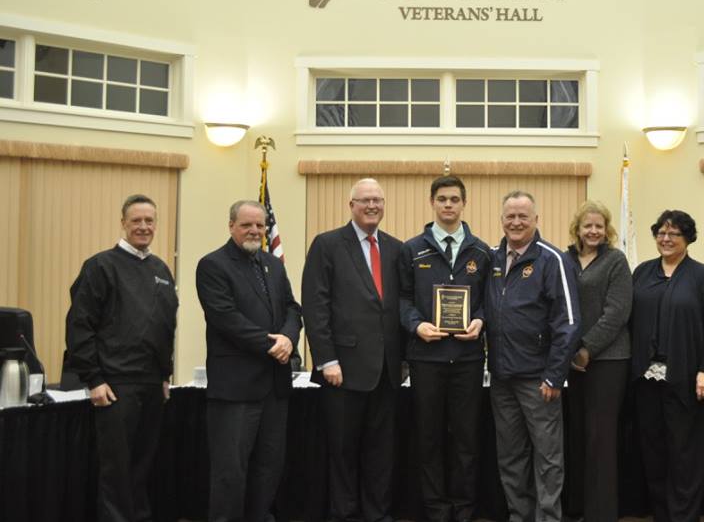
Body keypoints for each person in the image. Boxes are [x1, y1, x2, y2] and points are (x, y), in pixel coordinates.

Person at [65, 194, 178, 522]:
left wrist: (164, 376)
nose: (143, 227)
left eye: (149, 221)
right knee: (117, 469)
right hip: (114, 385)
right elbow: (80, 324)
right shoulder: (100, 266)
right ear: (123, 223)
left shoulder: (161, 269)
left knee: (143, 464)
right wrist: (94, 379)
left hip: (151, 384)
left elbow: (164, 326)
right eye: (137, 221)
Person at [301, 178, 403, 522]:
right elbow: (316, 306)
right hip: (342, 370)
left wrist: (403, 363)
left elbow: (398, 306)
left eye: (377, 200)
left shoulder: (395, 248)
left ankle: (378, 514)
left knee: (381, 454)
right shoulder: (327, 244)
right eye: (365, 200)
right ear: (351, 205)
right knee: (342, 453)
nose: (372, 206)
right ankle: (343, 515)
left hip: (387, 372)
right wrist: (326, 358)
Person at [196, 200, 302, 522]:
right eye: (247, 225)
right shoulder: (212, 265)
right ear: (231, 226)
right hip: (236, 390)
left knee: (269, 468)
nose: (255, 230)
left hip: (274, 387)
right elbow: (225, 317)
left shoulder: (274, 264)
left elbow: (292, 309)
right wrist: (272, 345)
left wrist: (287, 338)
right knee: (231, 473)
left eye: (259, 225)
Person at [484, 190, 580, 522]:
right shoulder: (492, 258)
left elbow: (568, 323)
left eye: (523, 216)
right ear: (501, 220)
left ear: (536, 220)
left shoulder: (552, 259)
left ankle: (548, 517)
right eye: (510, 216)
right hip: (501, 378)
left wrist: (554, 375)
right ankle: (519, 515)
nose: (516, 222)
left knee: (548, 457)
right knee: (510, 457)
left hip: (539, 380)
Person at [398, 175, 490, 522]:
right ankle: (436, 509)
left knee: (466, 439)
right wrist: (415, 324)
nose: (448, 205)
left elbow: (489, 302)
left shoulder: (482, 251)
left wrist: (480, 320)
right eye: (442, 199)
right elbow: (402, 298)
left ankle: (464, 509)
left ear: (464, 204)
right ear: (432, 203)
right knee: (429, 438)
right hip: (426, 359)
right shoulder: (412, 249)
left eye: (454, 199)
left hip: (467, 360)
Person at [630, 210, 704, 522]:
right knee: (653, 452)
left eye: (674, 234)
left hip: (686, 379)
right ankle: (661, 514)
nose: (666, 239)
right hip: (646, 379)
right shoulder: (642, 272)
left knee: (685, 455)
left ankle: (684, 516)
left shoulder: (702, 276)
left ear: (687, 239)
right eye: (661, 233)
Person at [563, 200, 632, 522]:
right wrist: (568, 352)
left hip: (607, 361)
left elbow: (617, 312)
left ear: (607, 231)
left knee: (599, 438)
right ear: (577, 228)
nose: (593, 231)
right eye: (587, 226)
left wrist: (587, 348)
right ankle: (575, 506)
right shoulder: (564, 260)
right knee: (574, 434)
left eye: (599, 226)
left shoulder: (616, 261)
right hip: (569, 362)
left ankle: (601, 513)